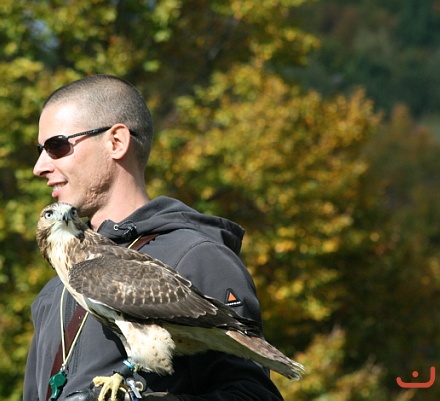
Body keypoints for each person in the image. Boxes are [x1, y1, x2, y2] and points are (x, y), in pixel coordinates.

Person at [23, 74, 284, 401]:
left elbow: (252, 396)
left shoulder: (196, 255)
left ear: (116, 142)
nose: (39, 166)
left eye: (57, 146)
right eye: (40, 150)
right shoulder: (54, 293)